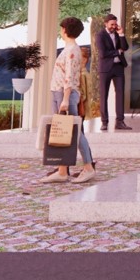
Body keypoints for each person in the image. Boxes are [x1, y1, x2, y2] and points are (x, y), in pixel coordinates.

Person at [40, 17, 97, 184]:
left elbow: (69, 77)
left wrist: (65, 99)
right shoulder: (70, 48)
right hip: (60, 93)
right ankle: (62, 170)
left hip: (65, 94)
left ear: (64, 30)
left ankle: (88, 168)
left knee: (74, 132)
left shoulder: (72, 50)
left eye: (61, 28)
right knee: (63, 131)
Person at [95, 13, 131, 130]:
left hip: (118, 67)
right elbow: (103, 54)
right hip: (105, 69)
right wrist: (118, 52)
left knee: (120, 94)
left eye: (115, 24)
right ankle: (104, 122)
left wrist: (121, 34)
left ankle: (120, 122)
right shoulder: (100, 35)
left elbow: (125, 47)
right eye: (112, 24)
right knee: (104, 95)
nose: (114, 26)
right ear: (106, 24)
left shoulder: (117, 33)